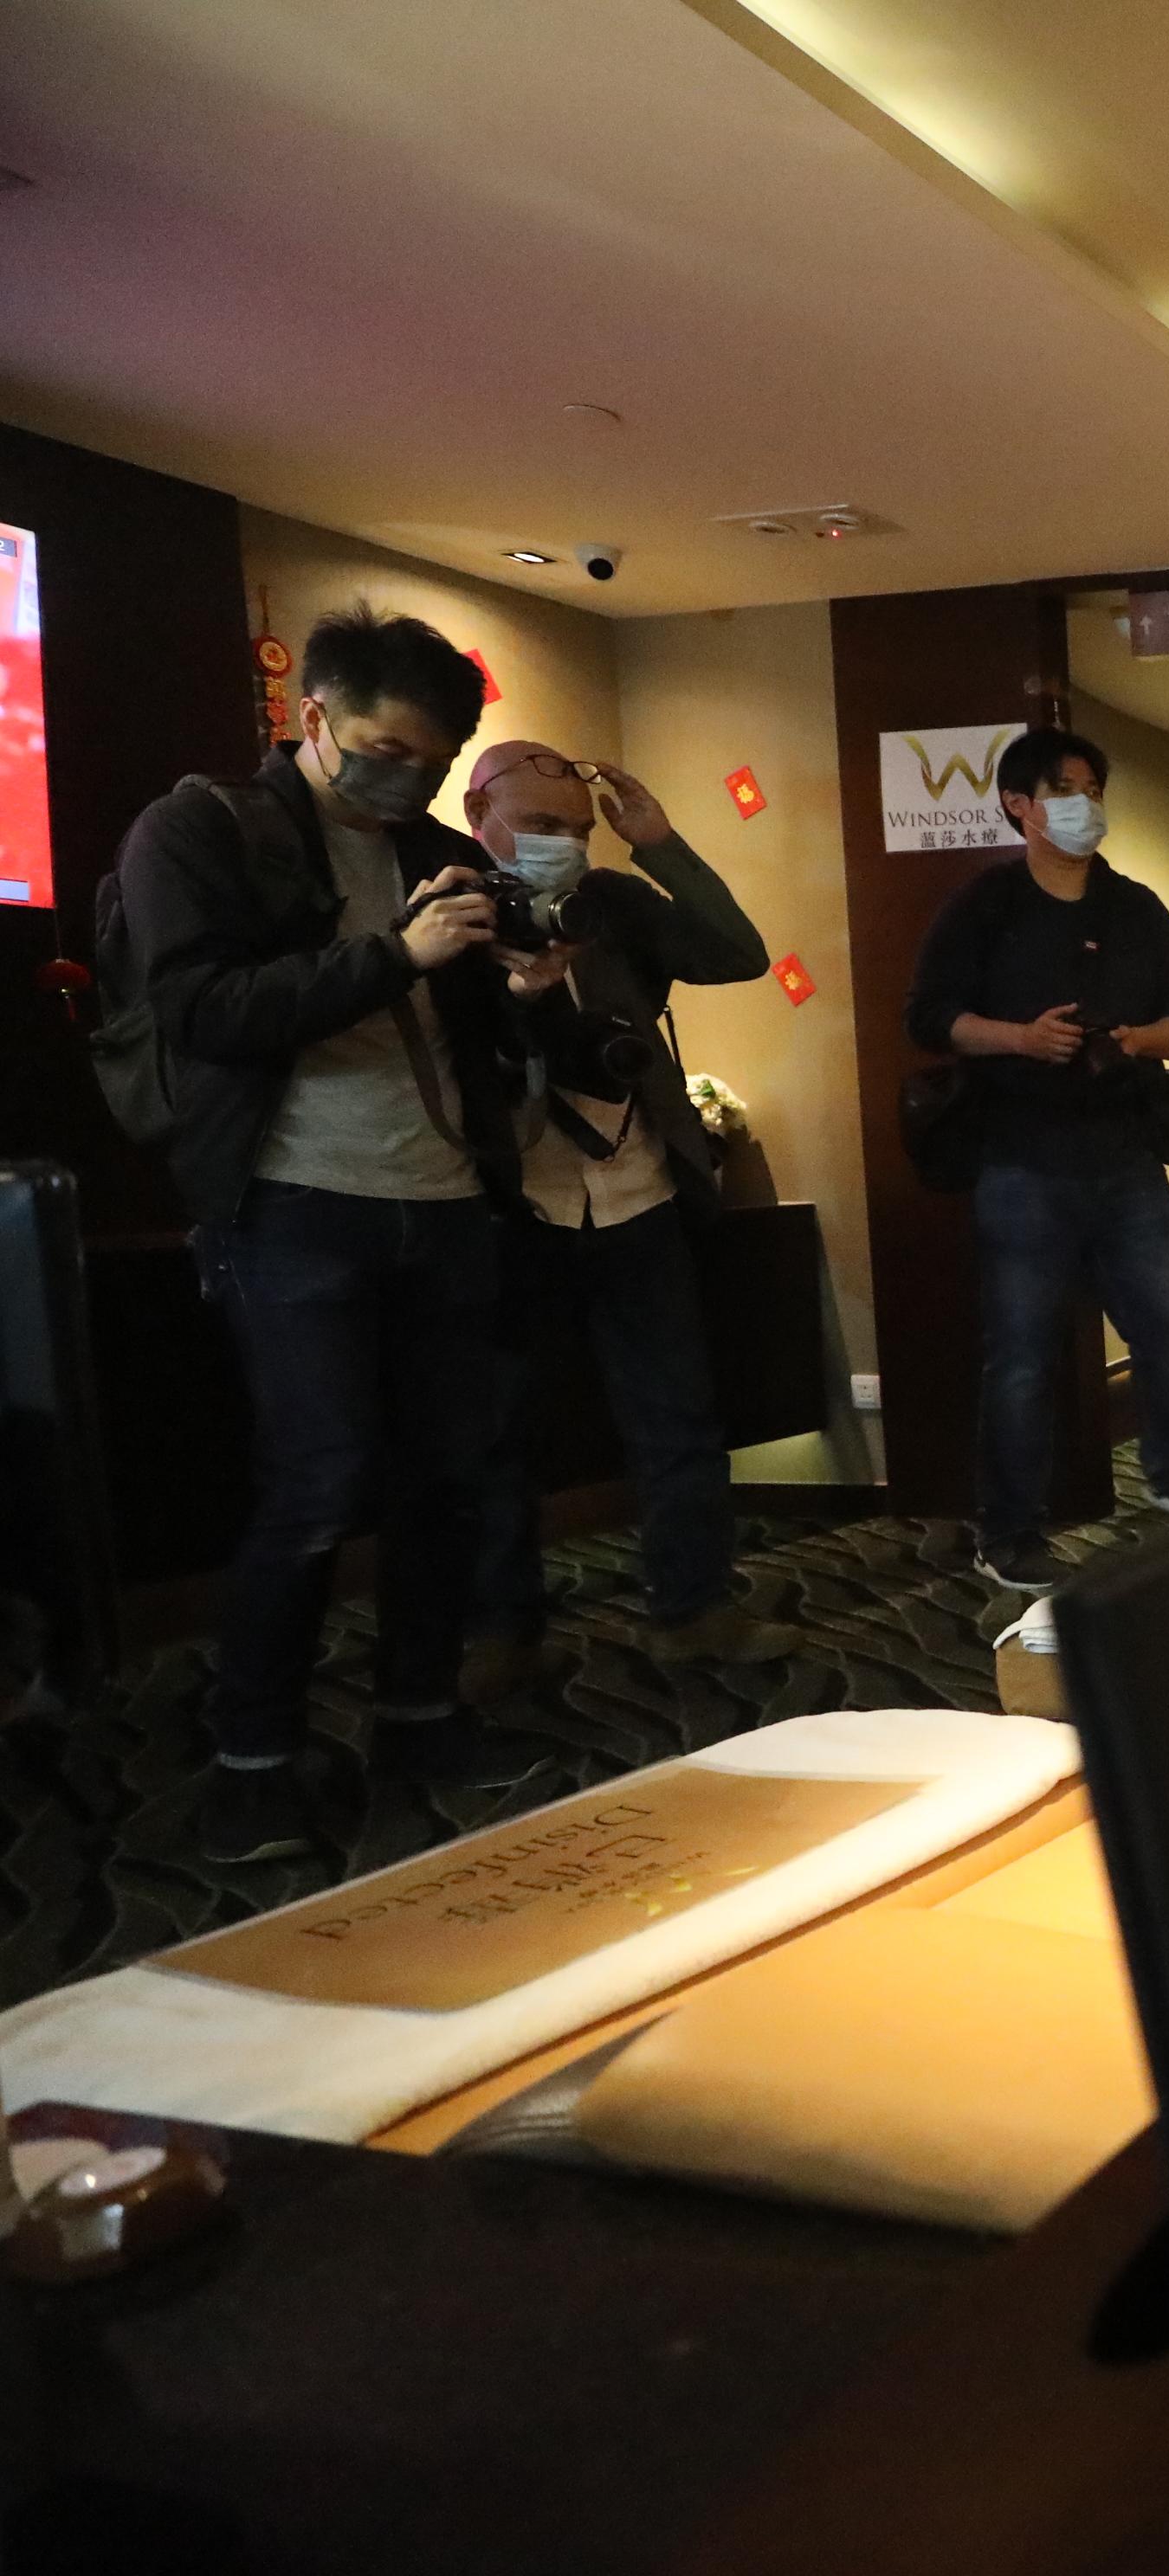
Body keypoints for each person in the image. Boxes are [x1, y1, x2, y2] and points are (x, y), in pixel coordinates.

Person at [113, 606, 565, 1862]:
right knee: (317, 1482)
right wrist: (397, 952)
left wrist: (520, 986)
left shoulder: (434, 850)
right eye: (384, 750)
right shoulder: (202, 831)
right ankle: (252, 1760)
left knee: (447, 1480)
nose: (405, 778)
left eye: (432, 761)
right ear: (313, 716)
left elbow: (469, 1032)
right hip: (294, 1201)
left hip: (446, 1197)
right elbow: (202, 1010)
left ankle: (419, 1716)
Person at [459, 741, 804, 1692]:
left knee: (678, 1418)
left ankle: (692, 1611)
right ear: (480, 815)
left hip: (639, 1189)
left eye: (577, 829)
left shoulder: (611, 902)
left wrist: (657, 843)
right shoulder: (450, 909)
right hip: (512, 1202)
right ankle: (503, 1632)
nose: (564, 845)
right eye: (541, 825)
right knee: (497, 1431)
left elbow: (737, 954)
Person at [905, 725, 1169, 1594]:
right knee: (1023, 1357)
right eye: (1067, 790)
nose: (1086, 806)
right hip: (1020, 1160)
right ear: (1020, 805)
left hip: (1127, 1155)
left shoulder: (1136, 907)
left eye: (1095, 790)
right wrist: (1021, 1038)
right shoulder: (984, 905)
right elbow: (929, 1017)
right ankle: (1009, 1531)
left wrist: (1134, 1040)